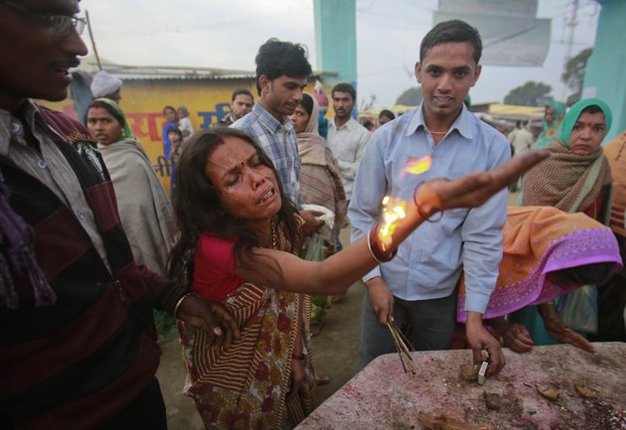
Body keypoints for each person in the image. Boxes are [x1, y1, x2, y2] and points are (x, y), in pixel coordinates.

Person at [169, 126, 546, 429]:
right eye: (233, 179)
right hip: (236, 376)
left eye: (256, 163)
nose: (258, 179)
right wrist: (422, 206)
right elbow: (322, 279)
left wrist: (297, 352)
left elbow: (287, 297)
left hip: (283, 357)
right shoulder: (218, 248)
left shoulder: (275, 222)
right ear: (211, 203)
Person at [0, 1, 238, 428]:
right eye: (51, 18)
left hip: (134, 385)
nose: (76, 45)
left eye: (72, 21)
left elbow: (111, 264)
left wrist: (174, 298)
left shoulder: (69, 136)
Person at [349, 19, 510, 373]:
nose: (445, 85)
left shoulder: (494, 148)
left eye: (459, 73)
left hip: (440, 294)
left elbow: (482, 237)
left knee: (430, 380)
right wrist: (373, 281)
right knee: (373, 376)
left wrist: (475, 317)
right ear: (419, 71)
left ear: (476, 75)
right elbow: (362, 215)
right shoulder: (386, 140)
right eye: (435, 71)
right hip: (384, 282)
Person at [512, 98, 614, 346]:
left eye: (597, 128)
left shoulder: (601, 168)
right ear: (567, 126)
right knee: (532, 342)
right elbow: (530, 231)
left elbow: (600, 222)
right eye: (579, 126)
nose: (586, 135)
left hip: (578, 273)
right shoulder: (542, 165)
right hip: (537, 272)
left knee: (568, 343)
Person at [465, 206, 622, 353]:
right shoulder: (504, 247)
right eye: (564, 282)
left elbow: (539, 274)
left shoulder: (553, 240)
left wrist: (549, 317)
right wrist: (502, 326)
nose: (563, 288)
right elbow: (475, 291)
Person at [232, 38, 322, 235]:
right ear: (265, 83)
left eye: (302, 87)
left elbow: (289, 193)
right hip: (259, 251)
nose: (299, 96)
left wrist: (298, 218)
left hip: (289, 244)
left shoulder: (288, 130)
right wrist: (297, 221)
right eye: (290, 86)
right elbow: (242, 210)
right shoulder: (240, 136)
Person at [86, 98, 176, 276]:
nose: (98, 127)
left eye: (106, 121)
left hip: (142, 233)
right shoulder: (87, 158)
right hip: (112, 241)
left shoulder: (132, 157)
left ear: (121, 125)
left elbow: (141, 209)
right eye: (92, 121)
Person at [290, 93, 347, 255]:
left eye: (300, 114)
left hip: (315, 231)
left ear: (311, 118)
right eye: (291, 112)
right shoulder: (282, 144)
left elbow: (324, 196)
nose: (293, 118)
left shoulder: (318, 149)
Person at [596, 130, 626, 342]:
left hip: (612, 235)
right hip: (614, 237)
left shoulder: (611, 148)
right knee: (612, 297)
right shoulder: (612, 150)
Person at [327, 82, 370, 203]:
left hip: (348, 199)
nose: (340, 105)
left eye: (345, 100)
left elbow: (361, 171)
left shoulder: (362, 134)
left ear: (353, 102)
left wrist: (334, 163)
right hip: (323, 197)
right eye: (336, 100)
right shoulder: (324, 129)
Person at [507, 121, 534, 191]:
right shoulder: (529, 134)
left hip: (517, 154)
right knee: (524, 174)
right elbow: (532, 145)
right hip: (525, 155)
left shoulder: (516, 133)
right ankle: (523, 189)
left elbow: (510, 140)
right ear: (527, 125)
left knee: (516, 172)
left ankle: (512, 188)